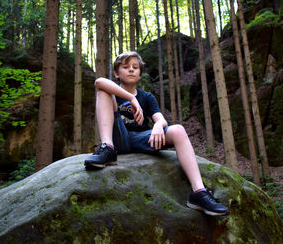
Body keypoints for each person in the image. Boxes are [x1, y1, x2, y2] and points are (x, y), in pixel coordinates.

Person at [84, 51, 229, 216]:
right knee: (103, 91)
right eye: (126, 67)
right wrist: (131, 99)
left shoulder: (147, 97)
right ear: (117, 73)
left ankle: (198, 192)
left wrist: (159, 125)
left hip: (142, 139)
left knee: (178, 130)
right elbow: (99, 82)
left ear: (139, 73)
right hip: (119, 138)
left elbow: (160, 119)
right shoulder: (114, 93)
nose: (131, 70)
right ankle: (107, 148)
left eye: (135, 67)